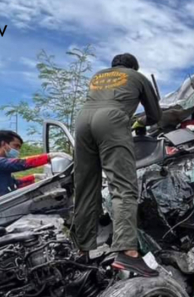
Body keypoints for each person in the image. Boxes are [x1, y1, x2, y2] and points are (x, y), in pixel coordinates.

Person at [72, 52, 162, 276]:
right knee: (123, 187)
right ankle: (128, 253)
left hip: (82, 122)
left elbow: (101, 102)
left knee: (85, 187)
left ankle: (82, 250)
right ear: (134, 66)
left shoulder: (97, 76)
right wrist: (140, 121)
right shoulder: (138, 76)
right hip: (112, 121)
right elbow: (155, 114)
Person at [0, 130, 66, 201]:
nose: (17, 150)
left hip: (3, 202)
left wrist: (34, 177)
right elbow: (19, 164)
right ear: (4, 144)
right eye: (16, 146)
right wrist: (49, 156)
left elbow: (14, 184)